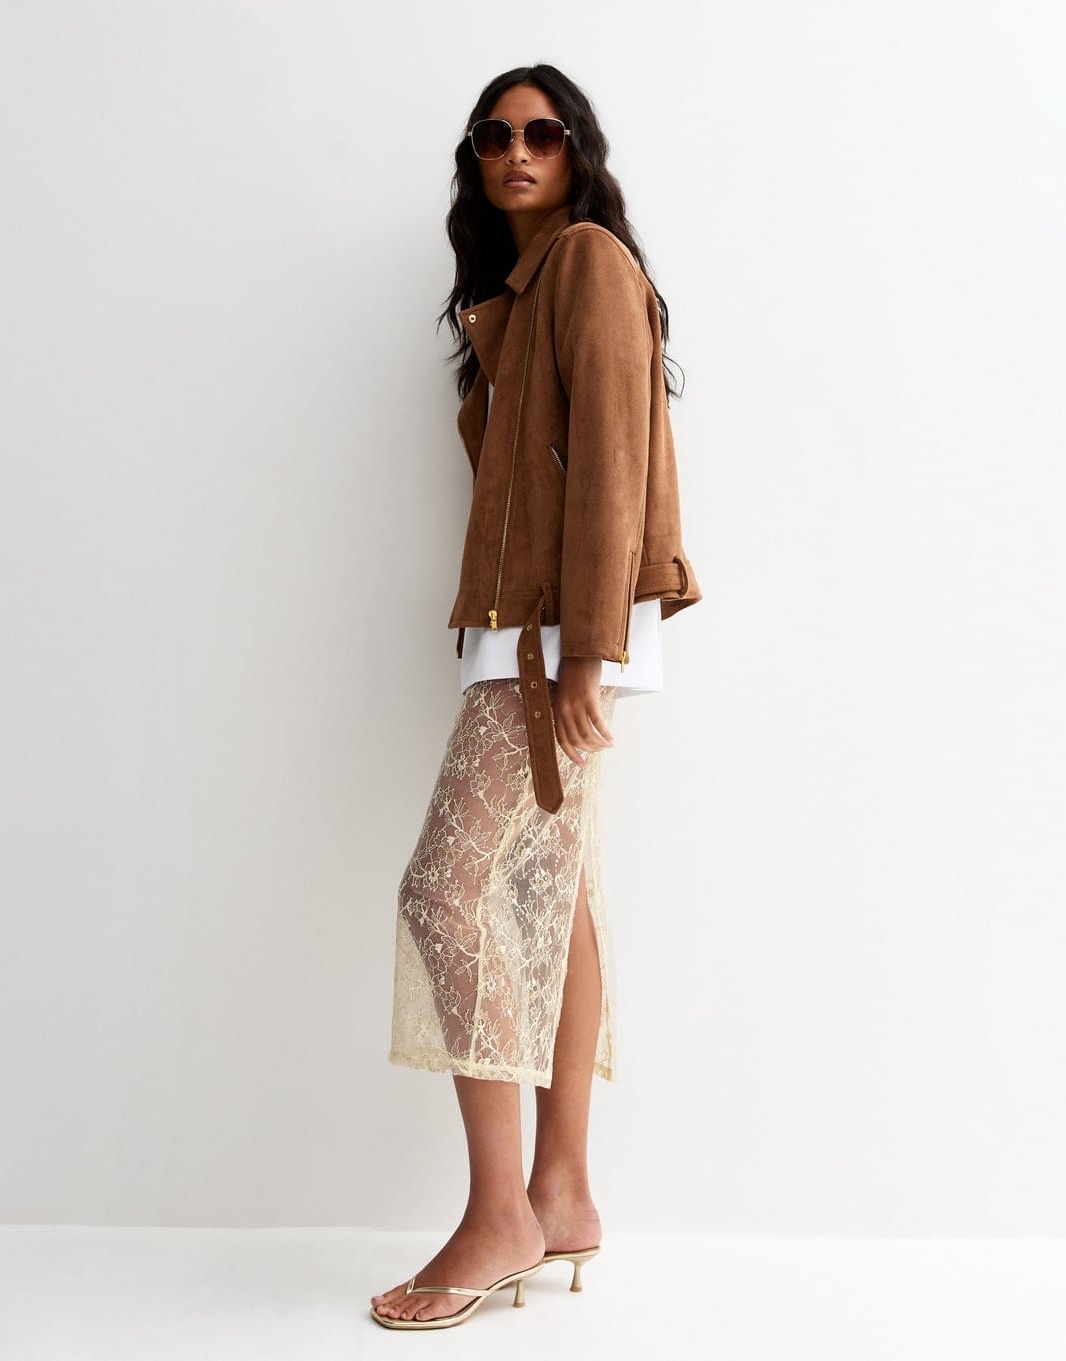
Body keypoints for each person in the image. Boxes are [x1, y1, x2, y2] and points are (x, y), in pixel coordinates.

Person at [371, 63, 702, 1331]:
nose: (520, 151)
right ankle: (560, 1192)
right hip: (524, 627)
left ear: (577, 152)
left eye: (545, 134)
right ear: (477, 157)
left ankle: (498, 1210)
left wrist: (583, 657)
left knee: (444, 888)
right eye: (496, 135)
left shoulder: (588, 265)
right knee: (546, 903)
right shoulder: (515, 294)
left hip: (554, 636)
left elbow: (614, 459)